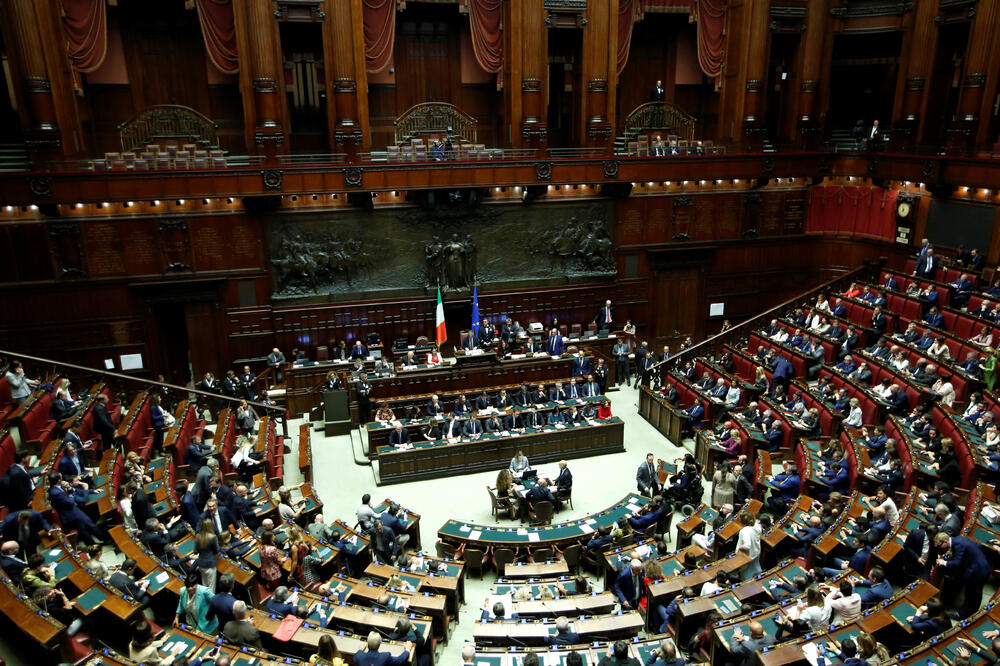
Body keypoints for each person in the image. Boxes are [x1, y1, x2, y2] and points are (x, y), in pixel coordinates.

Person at [935, 531, 991, 618]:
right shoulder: (959, 539)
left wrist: (944, 562)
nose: (940, 548)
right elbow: (978, 546)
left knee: (971, 594)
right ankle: (972, 613)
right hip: (983, 566)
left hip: (976, 572)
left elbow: (957, 563)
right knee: (976, 594)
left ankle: (964, 615)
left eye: (939, 545)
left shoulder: (957, 545)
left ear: (945, 542)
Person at [735, 510, 761, 580]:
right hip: (756, 552)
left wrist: (739, 548)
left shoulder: (745, 531)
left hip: (748, 556)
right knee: (756, 569)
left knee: (745, 575)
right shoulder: (757, 526)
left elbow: (747, 546)